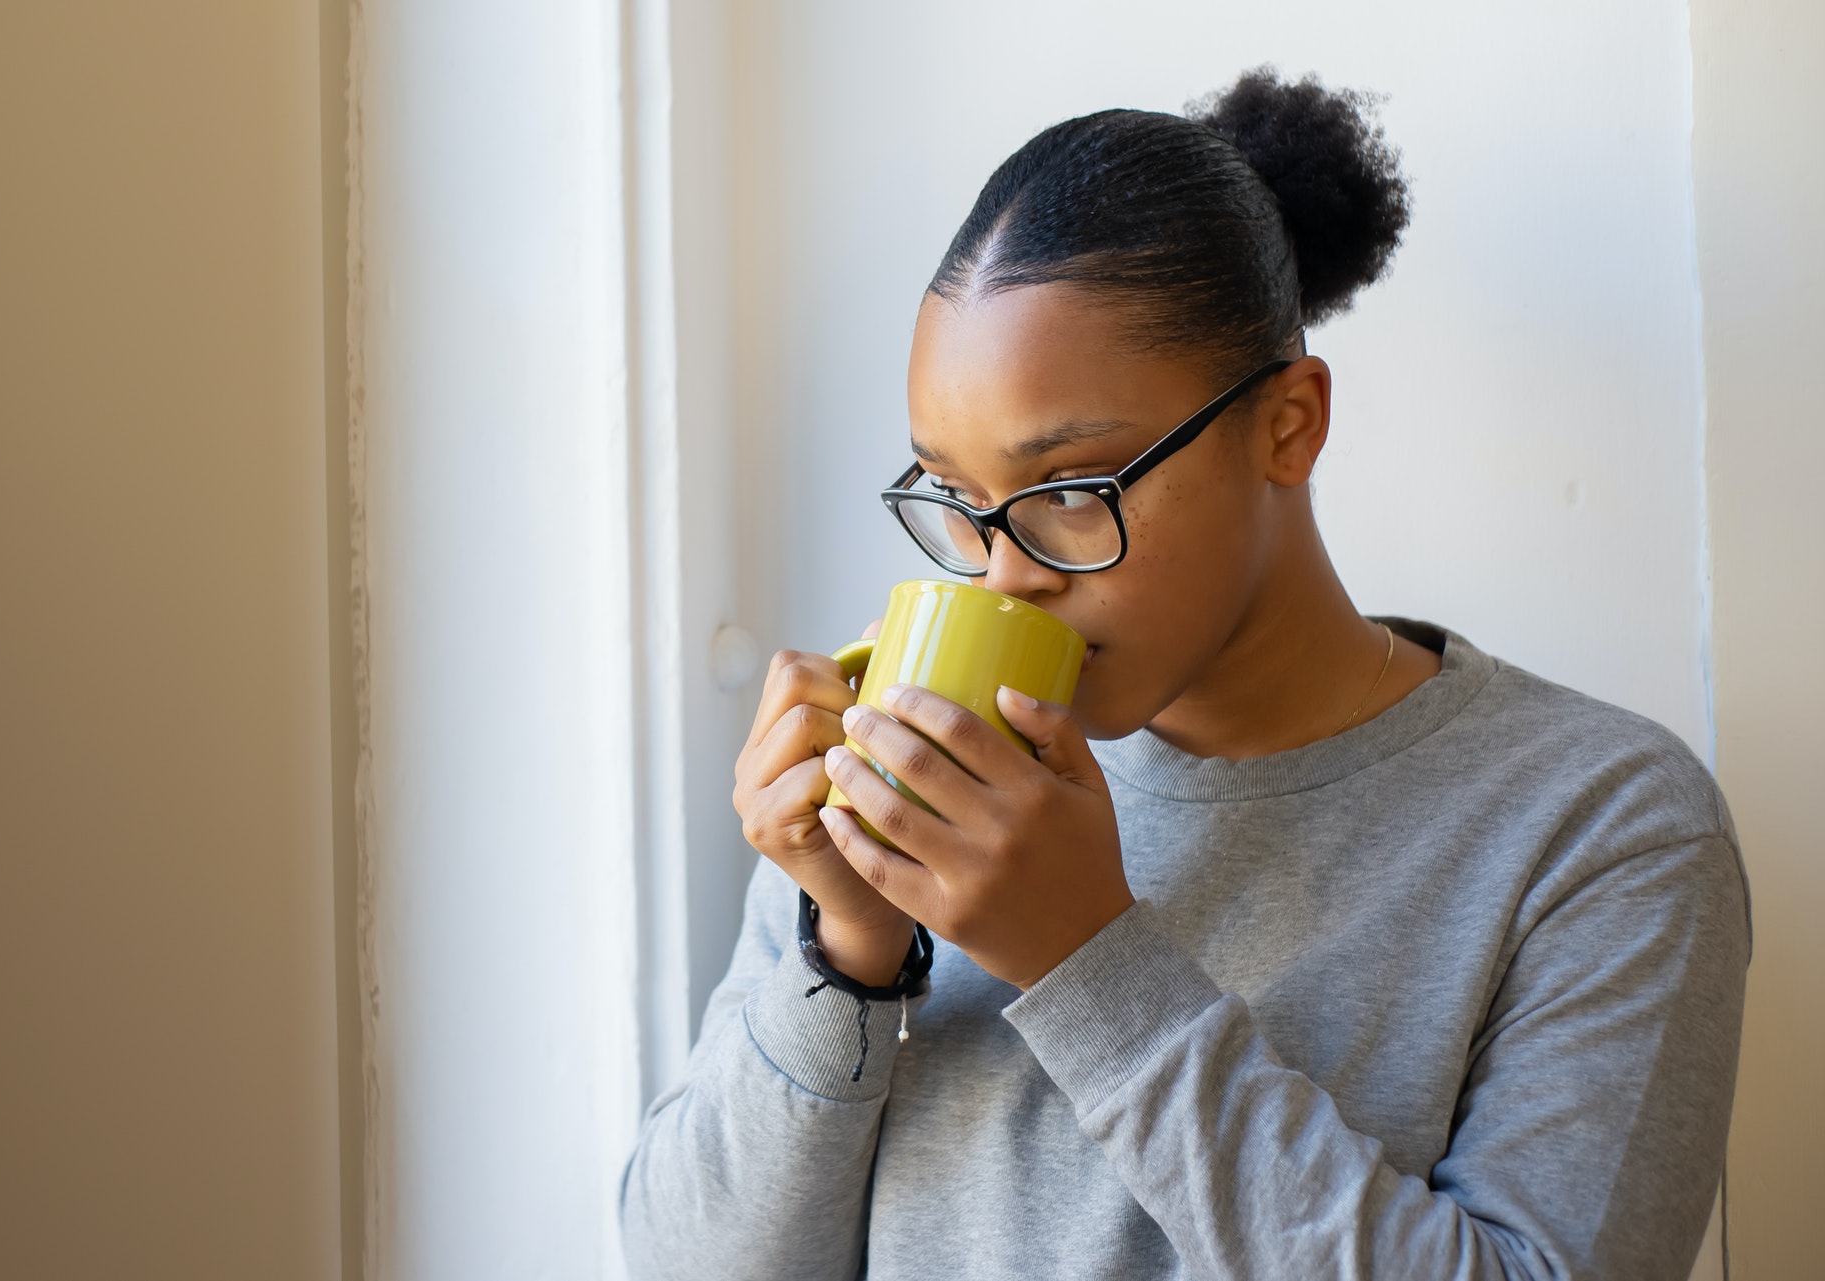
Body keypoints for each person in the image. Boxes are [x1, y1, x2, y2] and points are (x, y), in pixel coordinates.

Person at [619, 68, 1748, 1280]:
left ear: (1290, 425)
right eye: (956, 500)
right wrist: (845, 955)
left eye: (1068, 492)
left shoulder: (1599, 825)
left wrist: (1087, 961)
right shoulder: (909, 759)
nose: (1002, 576)